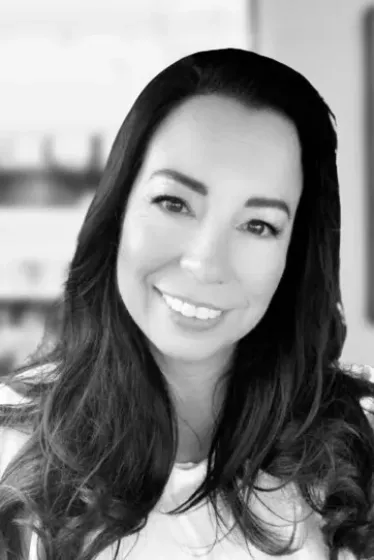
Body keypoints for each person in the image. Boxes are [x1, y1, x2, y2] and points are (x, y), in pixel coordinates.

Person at [0, 48, 373, 560]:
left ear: (294, 255)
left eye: (258, 225)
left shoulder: (358, 450)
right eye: (174, 203)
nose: (204, 263)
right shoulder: (9, 456)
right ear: (119, 209)